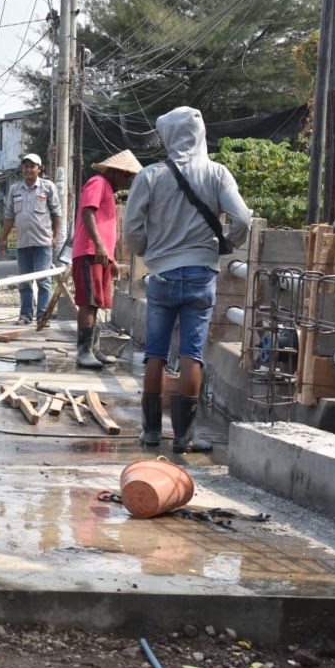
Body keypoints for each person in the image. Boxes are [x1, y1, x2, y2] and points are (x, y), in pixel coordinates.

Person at [124, 107, 251, 452]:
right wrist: (227, 244)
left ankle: (151, 433)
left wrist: (151, 249)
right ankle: (184, 438)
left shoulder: (150, 175)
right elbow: (242, 219)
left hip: (162, 274)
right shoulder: (217, 173)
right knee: (192, 355)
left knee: (155, 353)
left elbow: (131, 229)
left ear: (169, 136)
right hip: (200, 274)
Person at [71, 150, 142, 369]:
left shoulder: (108, 189)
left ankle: (92, 348)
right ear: (116, 172)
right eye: (126, 176)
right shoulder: (98, 182)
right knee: (89, 302)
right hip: (90, 250)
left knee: (97, 303)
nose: (127, 181)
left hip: (100, 254)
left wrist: (109, 257)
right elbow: (87, 213)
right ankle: (83, 351)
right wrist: (100, 244)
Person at [0, 153, 62, 324]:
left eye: (32, 166)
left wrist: (55, 237)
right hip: (23, 242)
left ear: (39, 169)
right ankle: (25, 315)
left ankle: (42, 316)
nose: (28, 169)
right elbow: (9, 217)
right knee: (24, 281)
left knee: (43, 281)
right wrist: (2, 239)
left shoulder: (47, 187)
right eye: (25, 166)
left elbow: (57, 214)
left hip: (43, 242)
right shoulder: (15, 190)